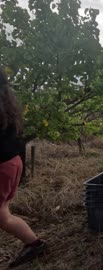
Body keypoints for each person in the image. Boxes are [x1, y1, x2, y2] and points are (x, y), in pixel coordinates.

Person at [0, 67, 46, 267]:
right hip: (12, 162)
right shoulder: (7, 105)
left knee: (3, 217)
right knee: (3, 213)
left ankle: (35, 244)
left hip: (2, 167)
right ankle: (34, 244)